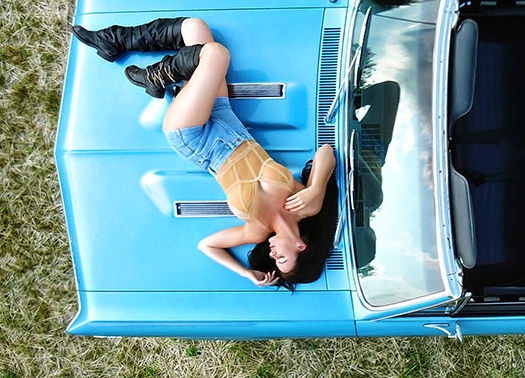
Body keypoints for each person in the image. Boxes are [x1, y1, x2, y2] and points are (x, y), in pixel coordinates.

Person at [72, 17, 337, 289]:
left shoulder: (257, 230)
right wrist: (317, 187)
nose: (273, 255)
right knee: (194, 28)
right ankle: (114, 43)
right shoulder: (307, 203)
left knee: (215, 55)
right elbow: (325, 152)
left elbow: (207, 245)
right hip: (227, 120)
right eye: (282, 259)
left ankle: (156, 76)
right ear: (301, 247)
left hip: (196, 140)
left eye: (274, 261)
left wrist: (246, 273)